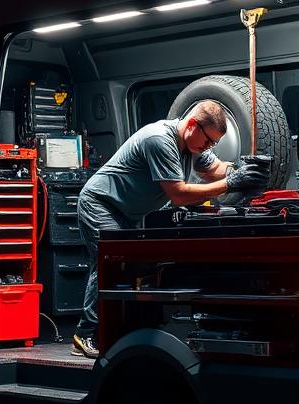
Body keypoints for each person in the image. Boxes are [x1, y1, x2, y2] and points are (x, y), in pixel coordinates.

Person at [71, 101, 269, 358]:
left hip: (127, 211)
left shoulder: (193, 144)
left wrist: (242, 170)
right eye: (208, 141)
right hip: (100, 203)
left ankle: (116, 331)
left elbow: (213, 169)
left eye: (213, 144)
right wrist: (231, 184)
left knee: (133, 267)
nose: (209, 147)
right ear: (191, 125)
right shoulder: (160, 140)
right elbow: (178, 194)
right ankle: (85, 334)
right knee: (111, 264)